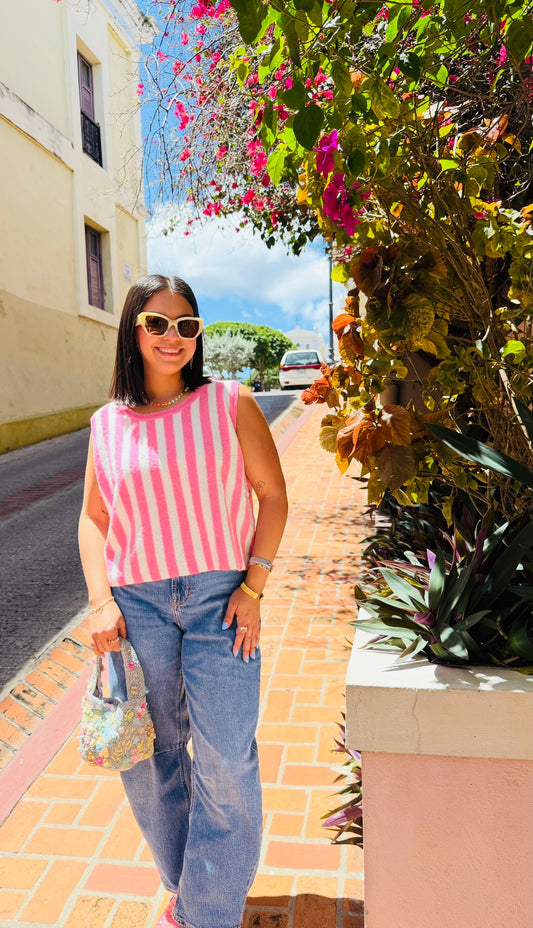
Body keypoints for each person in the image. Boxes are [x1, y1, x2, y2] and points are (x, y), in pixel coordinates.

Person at [78, 274, 288, 928]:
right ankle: (194, 895)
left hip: (220, 604)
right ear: (133, 331)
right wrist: (98, 601)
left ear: (198, 336)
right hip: (135, 609)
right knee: (150, 761)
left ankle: (203, 913)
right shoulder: (106, 424)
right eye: (158, 323)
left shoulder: (230, 402)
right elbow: (92, 519)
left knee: (226, 760)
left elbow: (273, 496)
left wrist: (253, 586)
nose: (174, 337)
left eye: (187, 326)